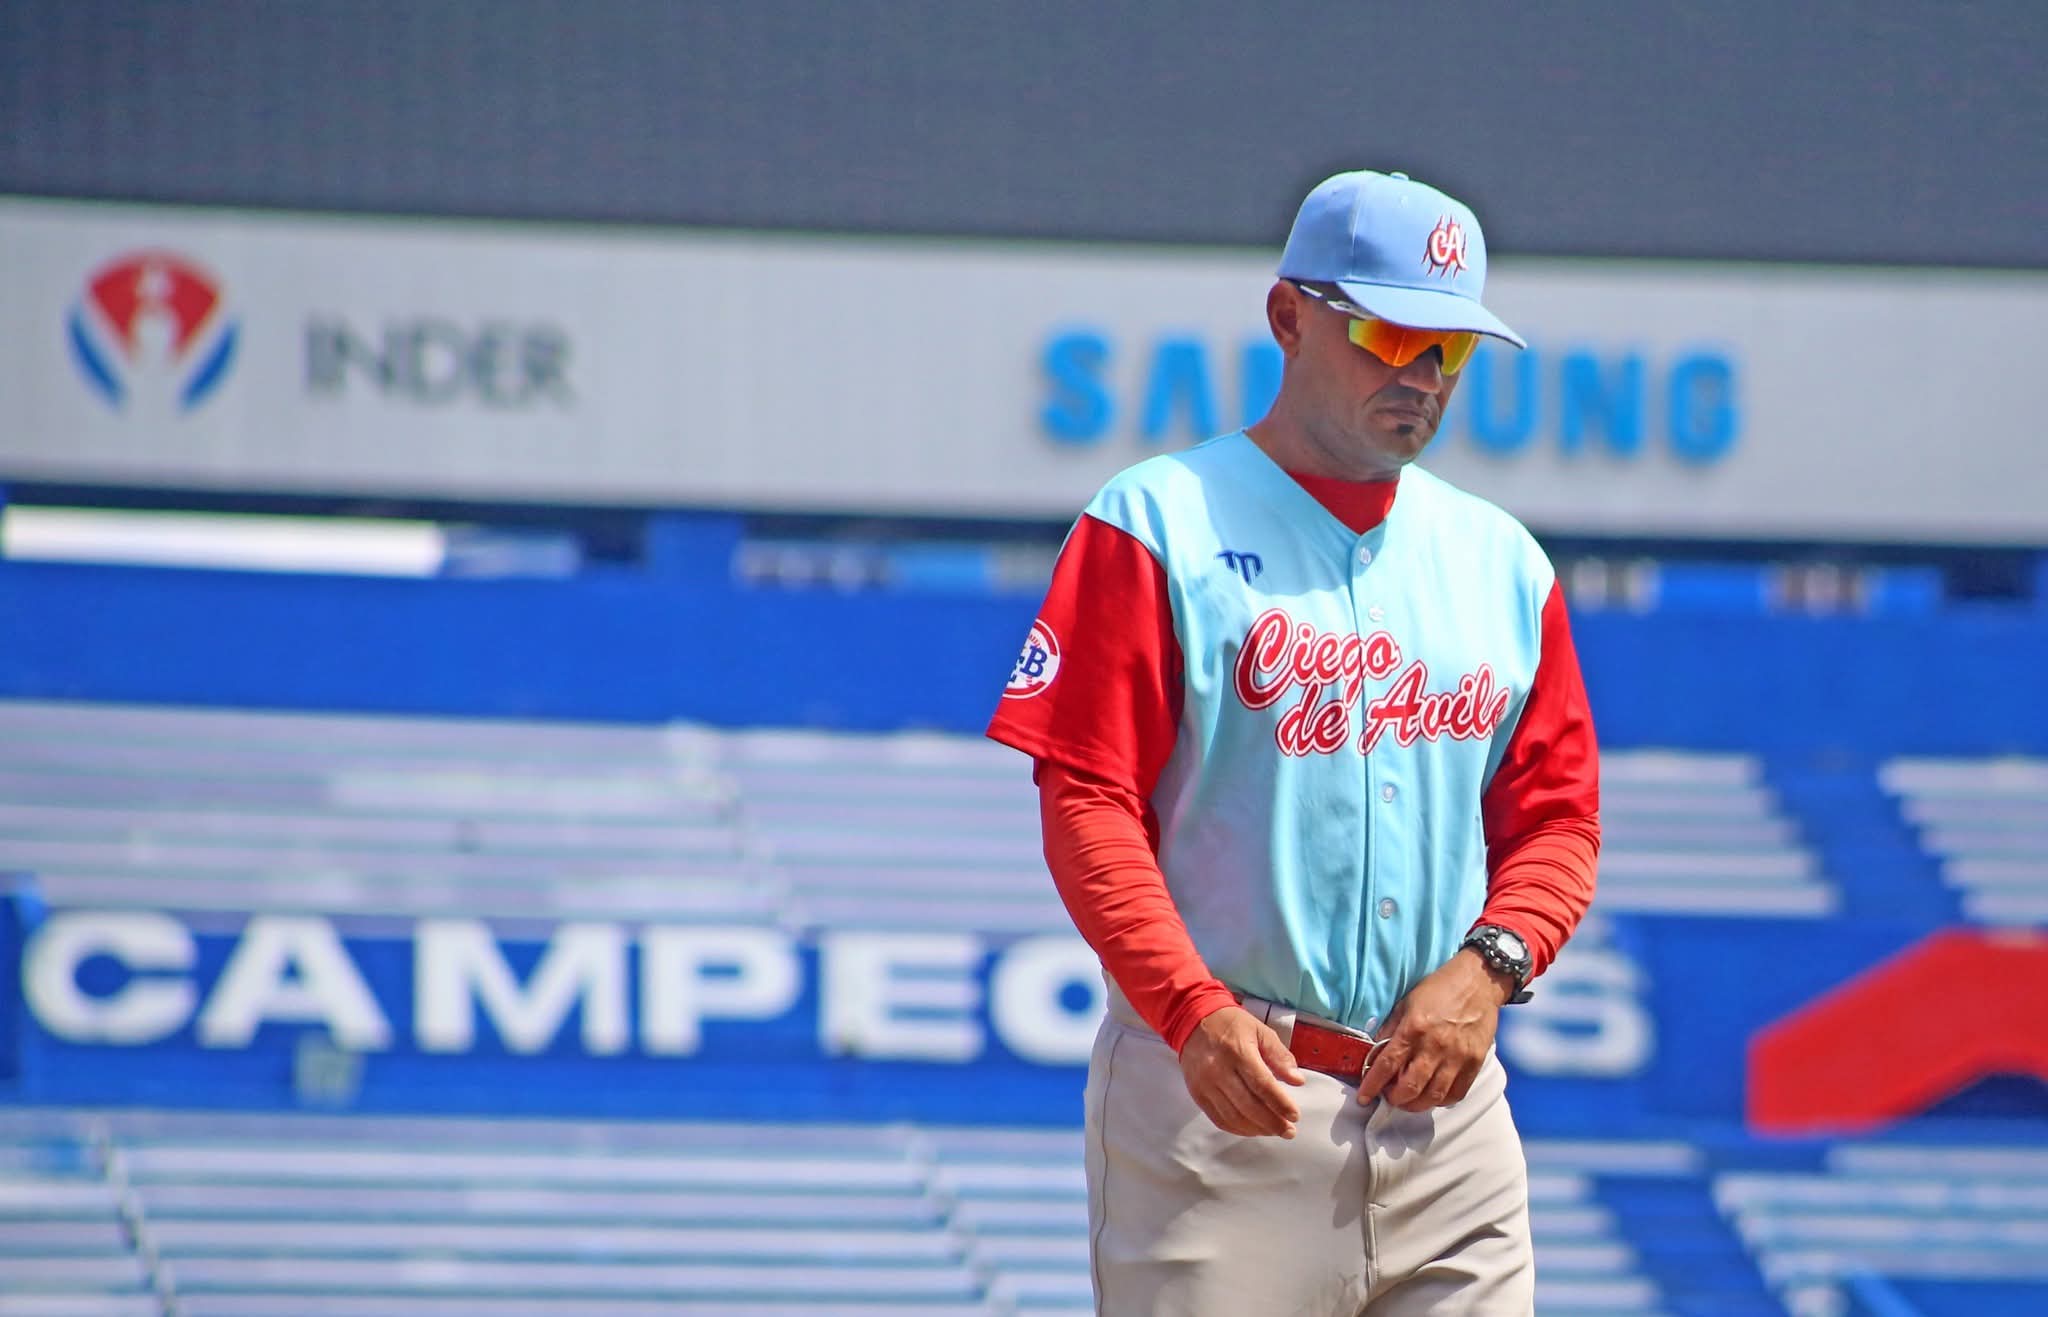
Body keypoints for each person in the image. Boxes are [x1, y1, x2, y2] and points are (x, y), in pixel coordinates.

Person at [986, 169, 1600, 1315]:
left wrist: (1491, 967)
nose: (1418, 374)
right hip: (1222, 1106)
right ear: (1287, 317)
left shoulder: (1502, 561)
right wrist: (1186, 1007)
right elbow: (1084, 800)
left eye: (1448, 349)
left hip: (1447, 1128)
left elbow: (1556, 820)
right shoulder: (1154, 523)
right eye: (1388, 333)